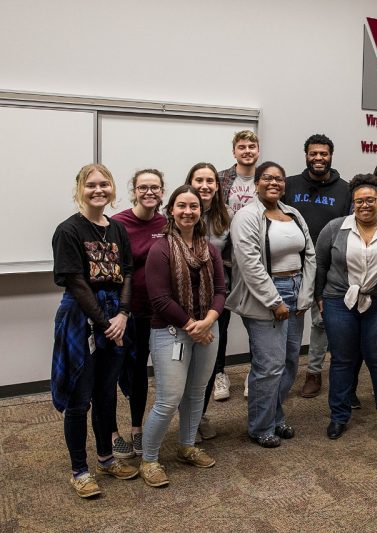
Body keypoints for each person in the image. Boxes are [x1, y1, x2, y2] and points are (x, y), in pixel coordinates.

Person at [51, 163, 139, 498]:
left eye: (104, 184)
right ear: (80, 190)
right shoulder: (68, 230)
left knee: (105, 395)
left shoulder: (117, 229)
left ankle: (105, 458)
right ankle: (80, 470)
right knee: (79, 398)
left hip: (115, 319)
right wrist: (106, 323)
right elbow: (75, 281)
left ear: (113, 189)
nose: (98, 190)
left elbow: (128, 273)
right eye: (91, 185)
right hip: (82, 319)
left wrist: (124, 314)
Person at [139, 185, 226, 488]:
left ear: (200, 212)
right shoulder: (160, 249)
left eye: (193, 207)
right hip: (170, 332)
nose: (188, 212)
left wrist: (209, 321)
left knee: (196, 392)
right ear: (171, 211)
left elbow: (220, 291)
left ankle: (187, 446)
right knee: (169, 399)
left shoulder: (209, 248)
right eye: (181, 206)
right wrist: (195, 326)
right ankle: (149, 460)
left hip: (206, 328)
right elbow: (160, 300)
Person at [228, 161, 316, 448]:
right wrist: (274, 300)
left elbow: (310, 255)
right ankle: (260, 425)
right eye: (267, 178)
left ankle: (275, 416)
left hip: (295, 289)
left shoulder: (293, 213)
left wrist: (305, 294)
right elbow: (250, 263)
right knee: (268, 365)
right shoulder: (246, 216)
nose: (274, 183)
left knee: (289, 361)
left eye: (279, 179)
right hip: (268, 294)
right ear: (257, 182)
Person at [315, 174, 377, 440]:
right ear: (352, 203)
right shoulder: (334, 229)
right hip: (339, 302)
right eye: (359, 200)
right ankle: (339, 417)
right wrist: (319, 296)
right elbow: (321, 264)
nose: (365, 205)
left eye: (370, 200)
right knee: (342, 361)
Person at [283, 134, 351, 399]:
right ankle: (281, 373)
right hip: (291, 266)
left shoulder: (344, 190)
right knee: (287, 320)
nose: (318, 158)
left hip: (328, 267)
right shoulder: (290, 185)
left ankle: (313, 372)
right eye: (314, 153)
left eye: (323, 153)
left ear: (331, 155)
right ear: (306, 155)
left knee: (321, 322)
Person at [109, 169, 167, 459]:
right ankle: (110, 432)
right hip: (121, 313)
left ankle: (136, 428)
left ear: (162, 191)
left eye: (155, 187)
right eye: (143, 187)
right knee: (114, 371)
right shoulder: (117, 223)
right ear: (134, 190)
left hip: (151, 311)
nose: (149, 192)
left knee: (139, 371)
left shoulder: (165, 223)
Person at [185, 162, 233, 441]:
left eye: (210, 181)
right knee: (182, 365)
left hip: (215, 298)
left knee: (207, 362)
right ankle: (184, 420)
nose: (204, 185)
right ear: (190, 182)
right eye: (199, 180)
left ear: (217, 186)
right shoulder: (180, 212)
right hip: (183, 300)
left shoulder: (224, 218)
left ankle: (198, 416)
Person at [214, 130, 260, 399]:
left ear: (258, 150)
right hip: (224, 259)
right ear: (234, 152)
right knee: (220, 319)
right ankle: (220, 374)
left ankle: (254, 373)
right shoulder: (220, 179)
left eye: (251, 146)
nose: (247, 151)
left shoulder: (266, 178)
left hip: (253, 259)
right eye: (241, 147)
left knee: (255, 320)